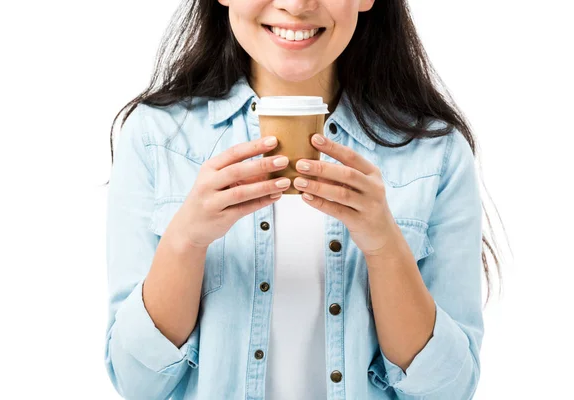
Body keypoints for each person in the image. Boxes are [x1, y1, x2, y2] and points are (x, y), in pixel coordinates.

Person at [104, 0, 503, 399]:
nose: (296, 5)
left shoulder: (436, 152)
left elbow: (446, 391)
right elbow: (137, 382)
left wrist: (385, 246)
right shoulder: (157, 137)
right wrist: (185, 240)